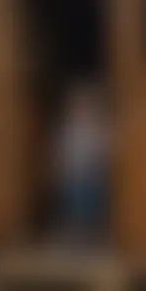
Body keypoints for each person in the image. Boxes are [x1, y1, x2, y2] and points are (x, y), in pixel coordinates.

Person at [55, 84, 110, 247]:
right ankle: (77, 232)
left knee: (91, 202)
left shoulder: (96, 126)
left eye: (85, 105)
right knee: (75, 202)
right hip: (74, 173)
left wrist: (99, 162)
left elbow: (102, 147)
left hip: (92, 172)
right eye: (78, 105)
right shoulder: (69, 127)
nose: (81, 109)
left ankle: (92, 233)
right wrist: (62, 167)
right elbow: (64, 148)